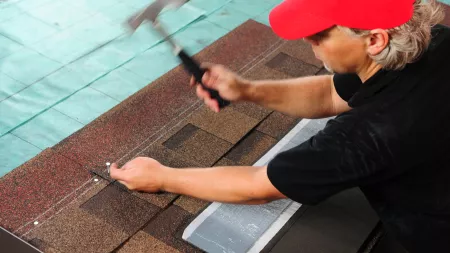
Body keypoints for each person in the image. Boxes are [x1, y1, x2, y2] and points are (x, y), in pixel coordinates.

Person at [111, 0, 450, 252]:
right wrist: (246, 90)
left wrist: (162, 177)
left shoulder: (367, 135)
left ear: (375, 40)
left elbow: (258, 186)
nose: (307, 40)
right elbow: (332, 94)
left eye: (318, 34)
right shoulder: (433, 38)